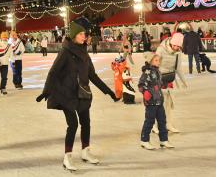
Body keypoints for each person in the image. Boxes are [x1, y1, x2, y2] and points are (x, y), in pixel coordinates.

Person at [36, 18, 119, 172]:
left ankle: (85, 151)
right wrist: (46, 91)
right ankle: (67, 157)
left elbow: (92, 75)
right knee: (73, 124)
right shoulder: (65, 52)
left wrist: (109, 92)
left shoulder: (84, 52)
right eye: (82, 34)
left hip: (82, 93)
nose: (85, 37)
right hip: (66, 93)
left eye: (85, 34)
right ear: (74, 35)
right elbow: (53, 72)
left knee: (86, 122)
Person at [153, 33, 188, 134]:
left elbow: (178, 68)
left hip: (169, 80)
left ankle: (168, 124)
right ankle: (154, 125)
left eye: (178, 46)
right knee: (157, 104)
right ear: (171, 42)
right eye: (175, 45)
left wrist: (183, 81)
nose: (176, 47)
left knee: (168, 104)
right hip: (158, 79)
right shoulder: (161, 49)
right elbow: (154, 64)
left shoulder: (178, 53)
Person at [139, 52, 174, 150]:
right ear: (150, 61)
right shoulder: (147, 72)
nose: (158, 62)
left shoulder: (157, 71)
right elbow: (141, 85)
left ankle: (164, 140)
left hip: (159, 101)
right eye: (156, 60)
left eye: (159, 60)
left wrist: (165, 84)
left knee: (162, 121)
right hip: (151, 102)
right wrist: (145, 92)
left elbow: (159, 84)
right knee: (149, 121)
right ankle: (144, 140)